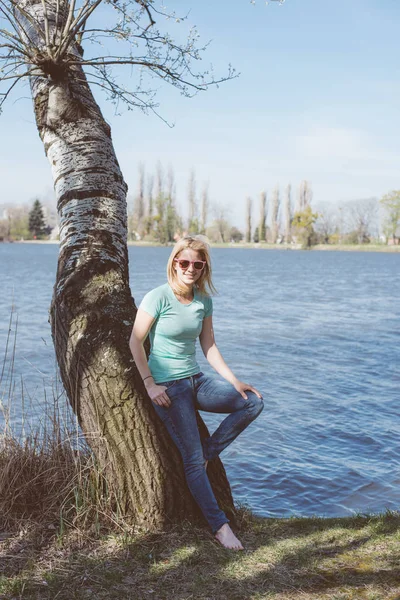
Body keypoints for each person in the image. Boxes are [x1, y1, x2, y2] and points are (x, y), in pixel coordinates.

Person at [129, 235, 263, 550]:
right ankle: (220, 527)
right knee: (190, 460)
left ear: (204, 268)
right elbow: (135, 341)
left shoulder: (203, 301)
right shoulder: (157, 297)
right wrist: (149, 383)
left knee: (253, 403)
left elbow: (209, 345)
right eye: (185, 262)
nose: (191, 268)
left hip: (196, 381)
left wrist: (234, 381)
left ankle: (208, 452)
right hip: (169, 390)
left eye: (197, 264)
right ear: (174, 262)